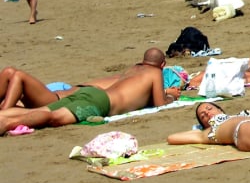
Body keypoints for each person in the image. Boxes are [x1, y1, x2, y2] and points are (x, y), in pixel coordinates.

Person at [0, 49, 174, 132]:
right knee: (54, 117)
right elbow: (159, 104)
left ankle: (4, 116)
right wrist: (171, 97)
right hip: (100, 101)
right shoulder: (155, 72)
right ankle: (7, 124)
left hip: (89, 93)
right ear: (163, 65)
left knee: (41, 111)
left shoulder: (133, 69)